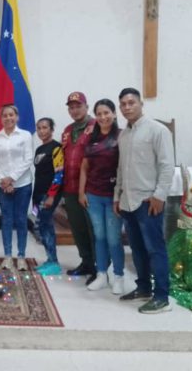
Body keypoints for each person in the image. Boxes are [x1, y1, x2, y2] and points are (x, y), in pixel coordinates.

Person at [114, 87, 174, 314]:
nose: (127, 107)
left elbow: (167, 165)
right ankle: (143, 288)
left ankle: (162, 297)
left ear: (141, 104)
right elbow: (121, 168)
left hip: (149, 201)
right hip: (128, 201)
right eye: (123, 104)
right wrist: (117, 196)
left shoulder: (157, 130)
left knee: (155, 250)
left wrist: (160, 195)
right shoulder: (124, 134)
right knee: (137, 249)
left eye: (131, 103)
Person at [79, 99, 124, 294]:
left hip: (114, 196)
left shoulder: (122, 136)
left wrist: (121, 195)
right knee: (99, 237)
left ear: (114, 114)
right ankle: (101, 275)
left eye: (107, 113)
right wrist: (81, 192)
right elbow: (84, 167)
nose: (103, 117)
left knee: (113, 238)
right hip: (93, 195)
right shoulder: (91, 138)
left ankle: (119, 276)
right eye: (99, 114)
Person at [0, 104, 33, 271]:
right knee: (6, 220)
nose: (8, 118)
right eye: (5, 115)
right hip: (2, 186)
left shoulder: (25, 135)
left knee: (21, 220)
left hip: (22, 184)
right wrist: (3, 181)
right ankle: (7, 256)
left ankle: (21, 256)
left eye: (11, 115)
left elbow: (28, 159)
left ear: (17, 117)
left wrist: (12, 178)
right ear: (1, 119)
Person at [61, 91, 97, 284]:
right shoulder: (67, 130)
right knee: (78, 228)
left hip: (90, 188)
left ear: (86, 106)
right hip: (70, 186)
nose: (75, 110)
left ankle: (99, 268)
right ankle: (86, 262)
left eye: (78, 106)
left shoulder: (96, 126)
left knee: (93, 228)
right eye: (71, 107)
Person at [32, 117, 64, 276]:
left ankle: (54, 262)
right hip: (38, 193)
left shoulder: (57, 148)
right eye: (39, 128)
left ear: (51, 129)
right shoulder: (39, 149)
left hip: (49, 194)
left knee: (46, 226)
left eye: (45, 127)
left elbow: (59, 174)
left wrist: (51, 196)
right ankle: (49, 258)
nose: (41, 131)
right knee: (41, 227)